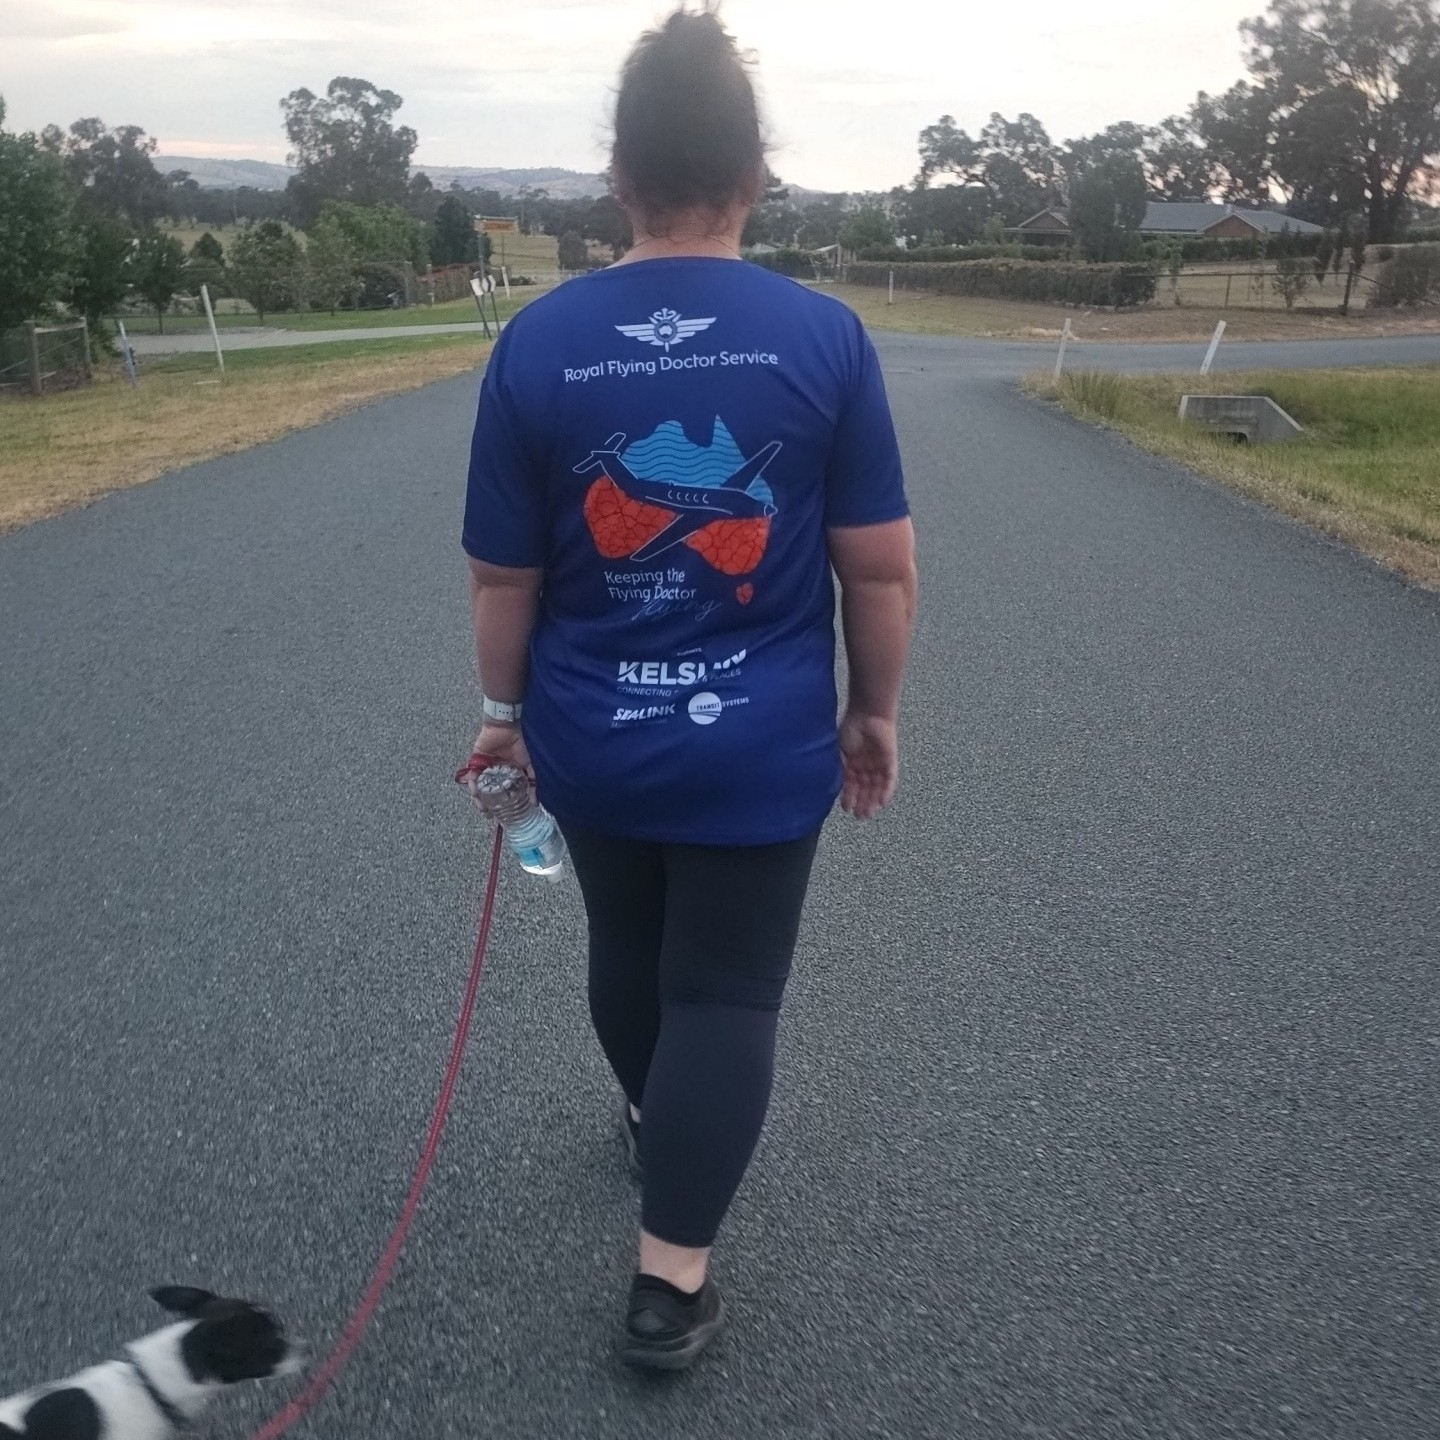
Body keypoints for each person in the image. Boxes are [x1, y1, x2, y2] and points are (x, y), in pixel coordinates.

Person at [462, 4, 917, 1371]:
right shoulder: (824, 335)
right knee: (724, 993)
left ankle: (657, 1115)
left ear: (617, 176)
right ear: (756, 175)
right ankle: (671, 1281)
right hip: (760, 737)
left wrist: (501, 722)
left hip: (593, 731)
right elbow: (878, 569)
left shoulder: (538, 342)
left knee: (627, 944)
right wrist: (873, 709)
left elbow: (503, 577)